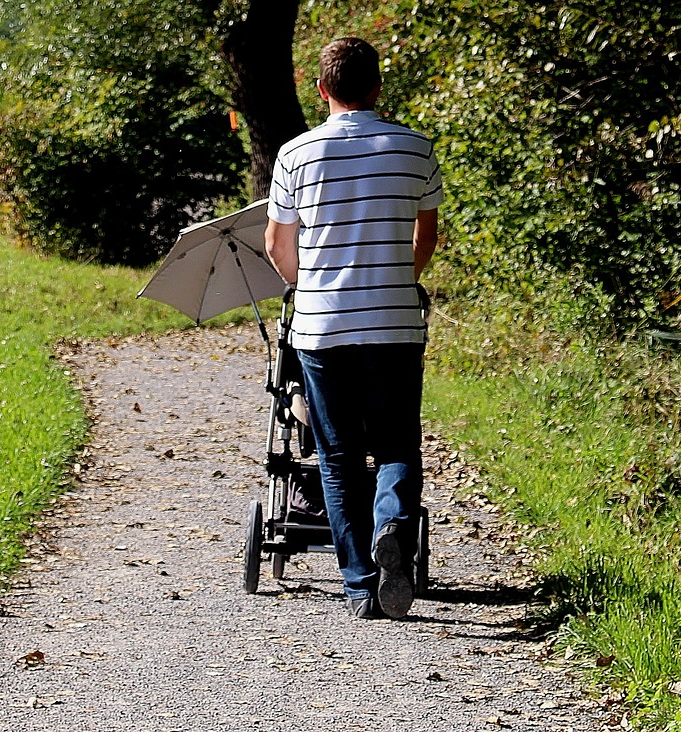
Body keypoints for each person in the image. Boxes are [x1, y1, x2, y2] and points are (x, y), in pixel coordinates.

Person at [264, 37, 442, 619]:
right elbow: (426, 239)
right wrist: (395, 276)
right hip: (394, 323)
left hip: (322, 329)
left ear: (322, 90)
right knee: (397, 442)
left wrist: (309, 283)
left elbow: (276, 244)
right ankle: (392, 522)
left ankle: (362, 586)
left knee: (338, 455)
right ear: (377, 87)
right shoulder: (416, 149)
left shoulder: (295, 155)